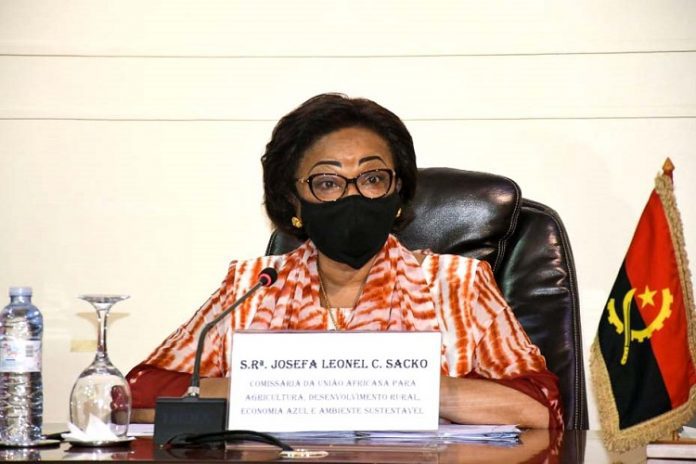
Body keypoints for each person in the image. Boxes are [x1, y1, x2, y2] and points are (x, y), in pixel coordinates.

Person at [126, 93, 563, 429]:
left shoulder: (457, 284)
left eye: (372, 178)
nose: (353, 196)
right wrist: (265, 389)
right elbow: (139, 393)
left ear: (397, 193)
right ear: (294, 202)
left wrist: (403, 390)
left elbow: (542, 408)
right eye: (328, 182)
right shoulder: (253, 286)